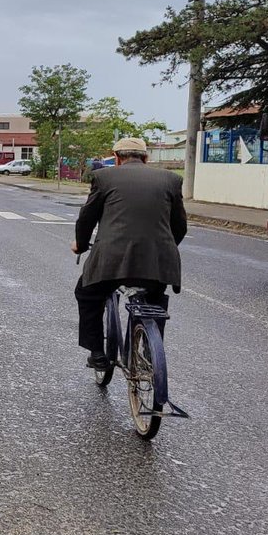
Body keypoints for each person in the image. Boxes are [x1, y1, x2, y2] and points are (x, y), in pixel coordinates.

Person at [71, 137, 188, 369]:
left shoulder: (104, 177)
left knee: (87, 294)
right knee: (154, 300)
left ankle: (97, 354)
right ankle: (149, 352)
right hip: (158, 262)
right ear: (146, 158)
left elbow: (86, 218)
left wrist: (81, 244)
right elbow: (180, 226)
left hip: (112, 260)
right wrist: (164, 249)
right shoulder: (171, 180)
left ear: (116, 158)